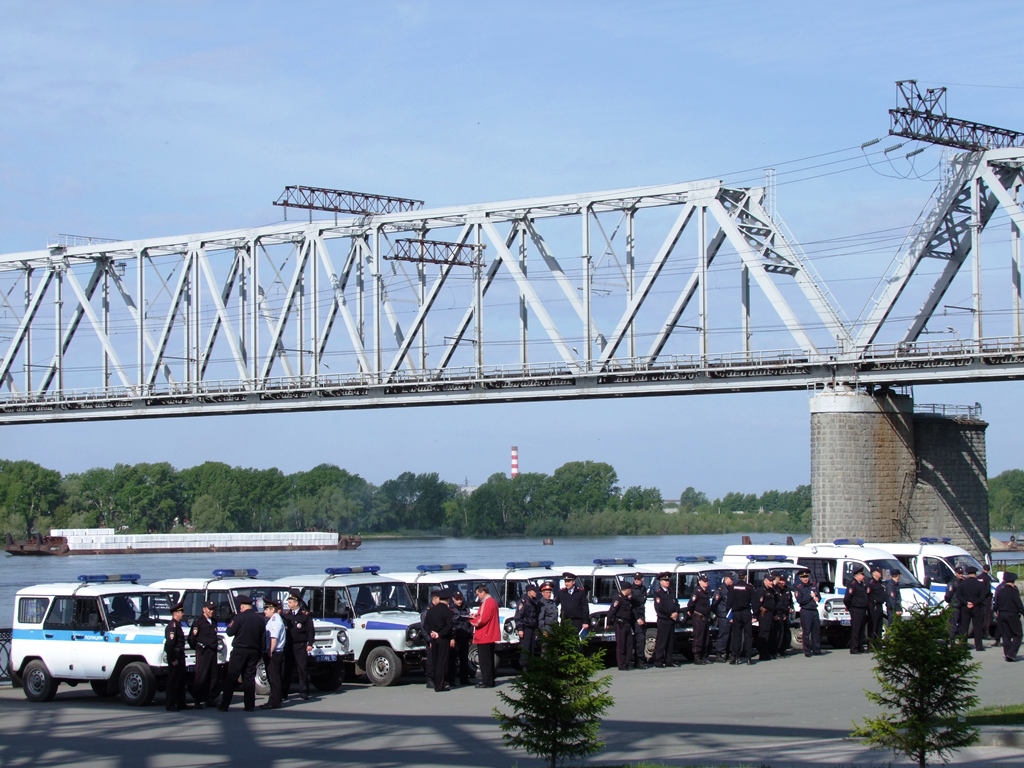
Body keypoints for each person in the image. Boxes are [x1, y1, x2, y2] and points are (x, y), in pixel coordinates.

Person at [219, 595, 265, 712]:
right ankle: (249, 705)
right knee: (249, 678)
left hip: (240, 651)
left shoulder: (239, 618)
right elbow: (263, 638)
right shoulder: (259, 619)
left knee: (232, 677)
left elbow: (230, 632)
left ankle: (225, 705)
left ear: (242, 606)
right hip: (253, 651)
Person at [281, 591, 314, 700]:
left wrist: (310, 643)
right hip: (289, 645)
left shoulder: (305, 615)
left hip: (300, 645)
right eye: (288, 602)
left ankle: (304, 692)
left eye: (290, 602)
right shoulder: (286, 615)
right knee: (287, 669)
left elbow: (310, 630)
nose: (289, 604)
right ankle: (284, 692)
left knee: (302, 669)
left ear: (296, 603)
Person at [187, 600, 219, 709]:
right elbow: (191, 638)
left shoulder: (214, 621)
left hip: (212, 652)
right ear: (204, 609)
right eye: (210, 609)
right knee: (201, 676)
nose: (212, 611)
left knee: (213, 676)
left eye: (213, 609)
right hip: (203, 652)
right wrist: (198, 648)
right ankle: (197, 700)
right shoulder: (199, 622)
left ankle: (210, 698)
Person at [423, 589, 455, 692]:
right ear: (448, 600)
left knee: (435, 661)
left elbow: (425, 625)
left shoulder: (431, 610)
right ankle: (440, 685)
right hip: (443, 639)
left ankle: (436, 682)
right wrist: (439, 634)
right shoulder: (448, 611)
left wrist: (431, 632)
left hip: (433, 639)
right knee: (442, 661)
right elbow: (449, 626)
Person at [471, 583, 499, 688]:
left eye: (478, 594)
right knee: (489, 659)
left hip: (485, 635)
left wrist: (472, 620)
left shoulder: (487, 603)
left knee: (484, 660)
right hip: (489, 634)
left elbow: (482, 620)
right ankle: (489, 680)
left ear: (483, 592)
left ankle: (487, 681)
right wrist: (477, 616)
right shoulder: (493, 602)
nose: (478, 597)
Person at [260, 599, 286, 709]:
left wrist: (269, 652)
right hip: (274, 651)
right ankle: (272, 699)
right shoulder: (272, 619)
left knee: (274, 678)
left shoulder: (275, 620)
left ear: (272, 609)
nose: (265, 611)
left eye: (266, 609)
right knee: (272, 678)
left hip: (274, 652)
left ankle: (275, 701)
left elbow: (273, 638)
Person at [993, 572, 1023, 661]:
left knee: (1006, 635)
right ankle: (1011, 653)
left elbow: (996, 603)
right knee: (1018, 634)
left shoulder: (1000, 590)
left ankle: (1007, 654)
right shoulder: (1014, 591)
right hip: (1012, 614)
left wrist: (995, 610)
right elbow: (1019, 605)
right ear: (1013, 581)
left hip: (1002, 614)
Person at [164, 602, 188, 711]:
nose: (183, 614)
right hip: (175, 657)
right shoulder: (172, 626)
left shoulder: (178, 625)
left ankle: (181, 703)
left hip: (180, 656)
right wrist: (173, 659)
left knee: (181, 681)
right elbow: (169, 645)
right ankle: (170, 704)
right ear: (176, 613)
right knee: (173, 682)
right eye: (181, 612)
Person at [652, 572, 679, 668]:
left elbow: (676, 604)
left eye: (668, 580)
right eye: (665, 580)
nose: (667, 582)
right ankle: (658, 660)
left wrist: (676, 612)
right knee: (661, 641)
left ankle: (669, 660)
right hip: (664, 620)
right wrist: (670, 614)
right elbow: (660, 607)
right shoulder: (658, 593)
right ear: (661, 582)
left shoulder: (671, 592)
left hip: (672, 620)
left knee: (670, 642)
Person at [727, 572, 754, 664]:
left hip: (736, 613)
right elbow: (754, 602)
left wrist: (730, 616)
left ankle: (735, 657)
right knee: (748, 635)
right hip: (746, 612)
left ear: (738, 577)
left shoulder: (732, 588)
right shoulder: (749, 587)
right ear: (745, 577)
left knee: (736, 636)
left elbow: (728, 603)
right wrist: (755, 615)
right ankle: (749, 658)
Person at [959, 566, 989, 651]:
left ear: (968, 574)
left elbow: (959, 596)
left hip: (965, 607)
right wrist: (974, 603)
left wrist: (966, 603)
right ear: (975, 574)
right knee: (977, 626)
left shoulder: (962, 584)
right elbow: (982, 597)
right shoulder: (980, 584)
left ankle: (963, 644)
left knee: (964, 626)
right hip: (976, 607)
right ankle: (979, 646)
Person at [607, 580, 635, 670]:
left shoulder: (627, 599)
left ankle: (627, 662)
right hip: (620, 623)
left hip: (627, 623)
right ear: (627, 590)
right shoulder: (618, 598)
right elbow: (612, 611)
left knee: (629, 644)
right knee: (621, 645)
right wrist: (608, 622)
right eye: (630, 590)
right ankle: (621, 664)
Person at [794, 571, 821, 656]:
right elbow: (800, 600)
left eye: (806, 577)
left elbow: (818, 596)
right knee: (806, 632)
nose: (805, 579)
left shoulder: (813, 585)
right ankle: (807, 651)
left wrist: (817, 598)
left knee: (816, 631)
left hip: (814, 610)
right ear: (800, 578)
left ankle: (816, 649)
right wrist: (810, 596)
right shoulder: (799, 588)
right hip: (806, 611)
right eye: (803, 577)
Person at [686, 574, 712, 664]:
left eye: (707, 581)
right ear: (700, 582)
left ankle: (704, 656)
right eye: (704, 581)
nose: (706, 583)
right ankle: (697, 656)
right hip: (698, 617)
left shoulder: (706, 592)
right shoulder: (697, 591)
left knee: (706, 638)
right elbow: (691, 604)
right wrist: (690, 611)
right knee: (698, 638)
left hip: (706, 618)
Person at [449, 591, 473, 685]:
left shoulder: (466, 608)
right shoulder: (451, 609)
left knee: (464, 659)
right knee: (453, 660)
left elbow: (469, 622)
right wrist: (452, 637)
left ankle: (464, 679)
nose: (459, 601)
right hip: (455, 636)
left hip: (464, 636)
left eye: (460, 599)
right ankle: (451, 680)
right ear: (453, 599)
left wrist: (470, 635)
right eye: (457, 599)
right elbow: (450, 624)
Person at [844, 567, 869, 654]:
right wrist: (849, 607)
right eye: (862, 575)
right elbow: (847, 598)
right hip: (856, 609)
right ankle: (854, 648)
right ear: (857, 575)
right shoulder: (853, 584)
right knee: (856, 629)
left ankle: (860, 646)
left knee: (861, 629)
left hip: (862, 609)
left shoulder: (860, 584)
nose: (864, 577)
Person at [514, 583, 540, 665]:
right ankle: (525, 668)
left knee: (531, 649)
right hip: (525, 628)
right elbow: (518, 617)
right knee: (525, 649)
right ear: (529, 592)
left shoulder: (534, 602)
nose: (536, 593)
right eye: (534, 591)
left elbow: (535, 617)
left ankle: (530, 667)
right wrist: (520, 629)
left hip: (532, 628)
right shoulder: (523, 602)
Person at [710, 572, 733, 663]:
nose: (732, 581)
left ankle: (727, 652)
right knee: (723, 635)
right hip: (723, 615)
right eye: (731, 579)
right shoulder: (720, 590)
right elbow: (714, 604)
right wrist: (719, 613)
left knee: (729, 635)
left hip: (729, 615)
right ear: (726, 579)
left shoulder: (730, 589)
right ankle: (720, 653)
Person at [421, 591, 441, 688]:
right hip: (430, 639)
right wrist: (429, 640)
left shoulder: (436, 609)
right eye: (439, 598)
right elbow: (424, 627)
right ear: (435, 598)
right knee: (431, 659)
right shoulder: (427, 610)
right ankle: (430, 679)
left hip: (436, 638)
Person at [755, 573, 778, 661]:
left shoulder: (771, 590)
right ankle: (762, 653)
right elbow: (758, 603)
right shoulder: (762, 590)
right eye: (770, 581)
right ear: (765, 581)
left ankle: (766, 652)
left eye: (772, 580)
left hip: (770, 614)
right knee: (763, 633)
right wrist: (756, 615)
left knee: (768, 633)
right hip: (764, 614)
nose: (771, 582)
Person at [629, 572, 648, 669]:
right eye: (635, 579)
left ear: (642, 579)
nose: (636, 580)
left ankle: (639, 659)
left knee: (642, 638)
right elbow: (633, 606)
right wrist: (637, 618)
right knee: (639, 638)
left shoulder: (643, 589)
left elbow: (643, 601)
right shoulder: (632, 589)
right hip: (635, 616)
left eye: (638, 579)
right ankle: (638, 660)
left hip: (642, 615)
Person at [774, 572, 793, 657]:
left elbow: (790, 601)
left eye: (783, 580)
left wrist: (791, 608)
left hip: (786, 614)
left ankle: (782, 649)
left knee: (785, 633)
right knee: (778, 633)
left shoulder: (787, 590)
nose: (782, 582)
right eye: (781, 580)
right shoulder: (775, 590)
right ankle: (776, 650)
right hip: (778, 614)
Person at [866, 566, 886, 641]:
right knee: (873, 626)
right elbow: (867, 594)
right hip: (873, 607)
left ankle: (878, 644)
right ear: (874, 573)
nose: (880, 572)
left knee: (879, 626)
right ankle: (871, 644)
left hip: (879, 606)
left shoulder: (880, 582)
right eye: (878, 571)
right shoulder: (871, 583)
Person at [945, 566, 965, 638]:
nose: (961, 575)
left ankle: (961, 641)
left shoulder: (962, 582)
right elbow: (948, 596)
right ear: (956, 573)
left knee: (961, 625)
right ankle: (952, 640)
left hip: (962, 605)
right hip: (955, 606)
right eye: (959, 573)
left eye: (961, 573)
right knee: (953, 624)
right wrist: (951, 602)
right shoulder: (952, 583)